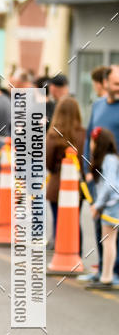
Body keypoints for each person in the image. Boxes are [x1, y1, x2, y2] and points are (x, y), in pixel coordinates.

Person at [83, 66, 119, 283]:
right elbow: (89, 137)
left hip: (115, 179)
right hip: (97, 177)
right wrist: (87, 169)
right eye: (115, 83)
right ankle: (103, 270)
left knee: (113, 227)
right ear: (105, 83)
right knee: (99, 225)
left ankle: (114, 272)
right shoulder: (97, 106)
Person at [46, 97, 85, 245]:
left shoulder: (54, 134)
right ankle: (76, 249)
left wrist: (55, 169)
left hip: (57, 182)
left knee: (58, 218)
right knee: (74, 220)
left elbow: (48, 161)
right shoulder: (83, 134)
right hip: (77, 184)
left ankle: (59, 246)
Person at [87, 127, 119, 290]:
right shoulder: (111, 159)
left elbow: (109, 185)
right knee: (109, 242)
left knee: (108, 242)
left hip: (111, 207)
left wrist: (98, 205)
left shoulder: (108, 160)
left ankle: (106, 277)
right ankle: (106, 275)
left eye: (93, 141)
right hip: (111, 206)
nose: (91, 145)